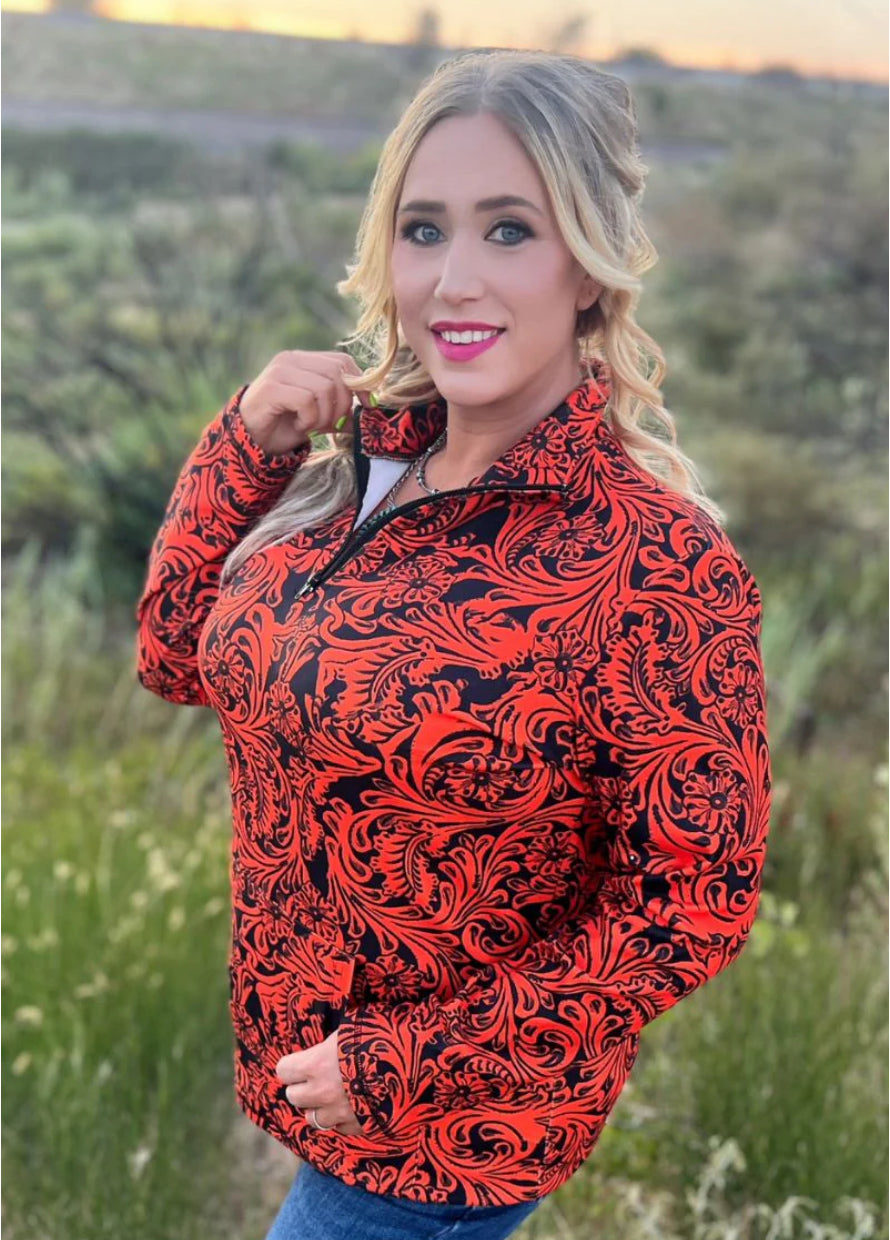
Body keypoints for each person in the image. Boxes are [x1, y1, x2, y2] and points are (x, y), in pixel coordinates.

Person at [135, 48, 771, 1240]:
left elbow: (692, 901)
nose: (452, 280)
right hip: (311, 1103)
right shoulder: (359, 469)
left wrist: (401, 1062)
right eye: (422, 230)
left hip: (435, 1155)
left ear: (587, 267)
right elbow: (174, 652)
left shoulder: (653, 563)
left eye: (509, 230)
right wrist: (243, 446)